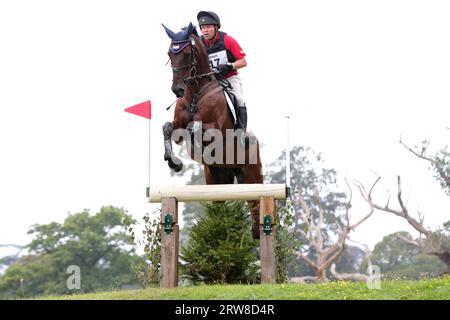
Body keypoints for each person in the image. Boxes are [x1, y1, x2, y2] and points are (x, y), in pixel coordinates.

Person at [197, 11, 250, 148]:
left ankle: (241, 133)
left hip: (229, 77)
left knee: (238, 98)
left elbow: (243, 62)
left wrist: (230, 65)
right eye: (203, 28)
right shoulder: (200, 43)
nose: (205, 31)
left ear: (216, 27)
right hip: (210, 82)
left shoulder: (227, 40)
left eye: (208, 27)